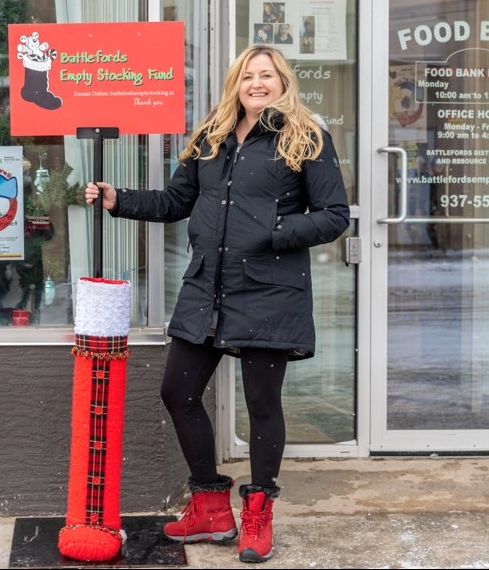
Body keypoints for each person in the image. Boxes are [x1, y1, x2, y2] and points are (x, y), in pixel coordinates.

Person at [84, 44, 349, 563]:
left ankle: (259, 513)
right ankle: (210, 506)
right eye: (248, 75)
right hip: (208, 287)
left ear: (283, 81)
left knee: (262, 405)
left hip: (271, 290)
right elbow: (178, 201)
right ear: (236, 82)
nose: (257, 83)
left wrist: (273, 232)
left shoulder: (306, 137)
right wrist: (121, 200)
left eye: (266, 75)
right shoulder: (212, 137)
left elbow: (335, 214)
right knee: (177, 393)